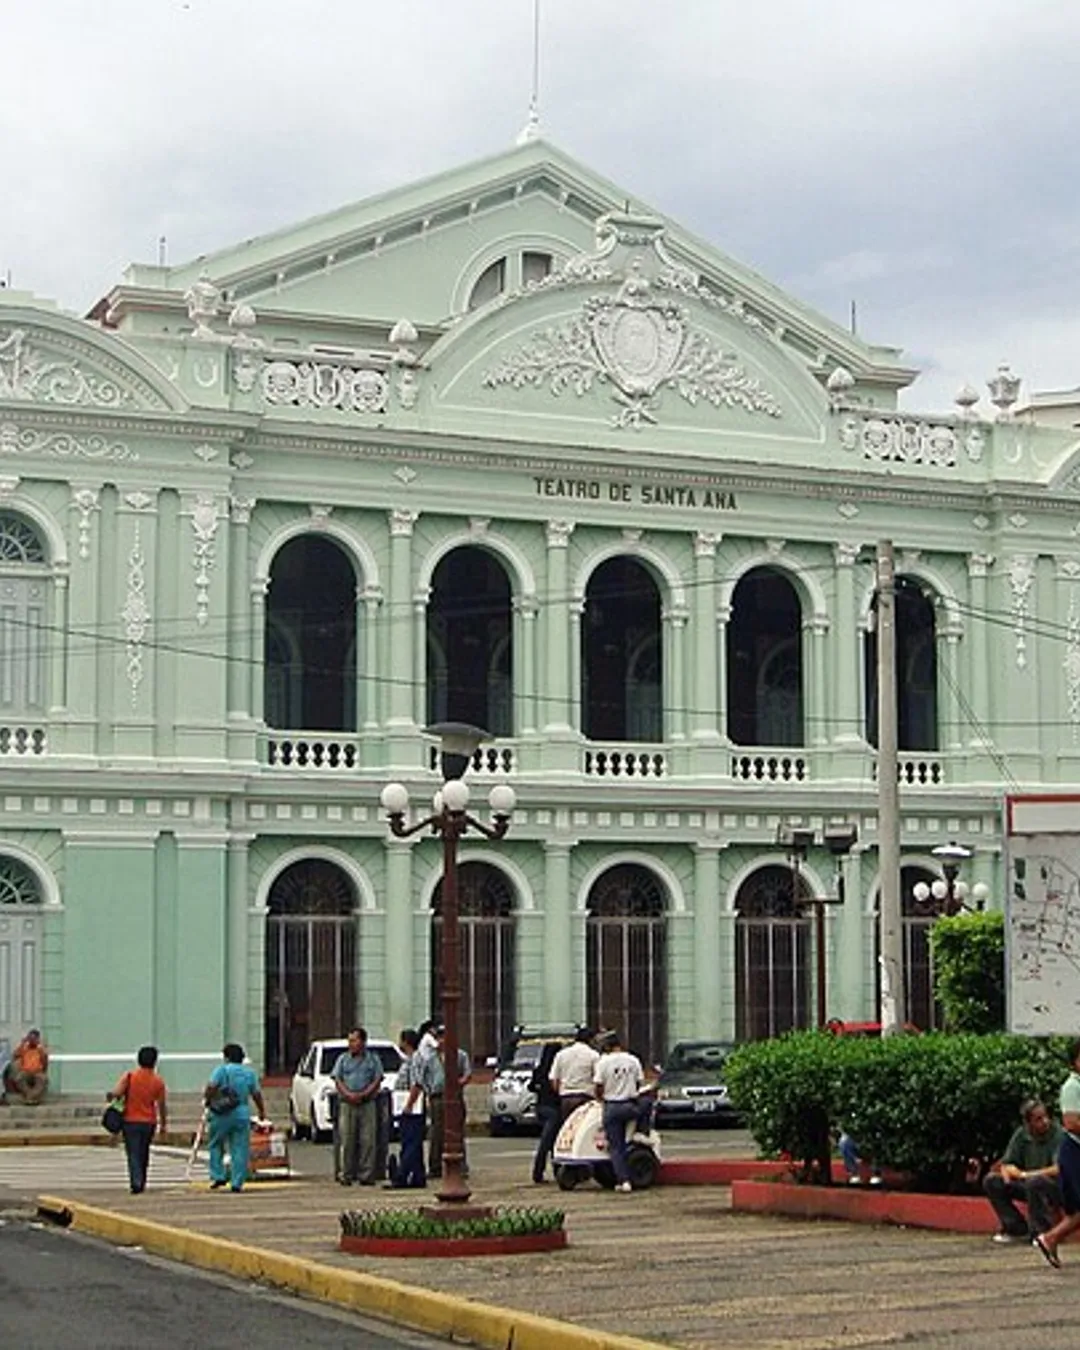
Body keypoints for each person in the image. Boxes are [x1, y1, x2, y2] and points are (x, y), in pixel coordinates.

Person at [984, 1098, 1063, 1243]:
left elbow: (1058, 1168)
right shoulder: (1021, 1135)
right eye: (1038, 1119)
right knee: (992, 1181)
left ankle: (1041, 1232)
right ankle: (1015, 1228)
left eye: (1046, 1116)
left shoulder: (1058, 1134)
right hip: (1028, 1184)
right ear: (1028, 1123)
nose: (1045, 1121)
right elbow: (1008, 1162)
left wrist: (1026, 1174)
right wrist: (1009, 1170)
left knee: (1035, 1182)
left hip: (1054, 1187)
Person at [1033, 1040, 1080, 1267]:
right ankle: (1050, 1238)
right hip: (1075, 1152)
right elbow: (1071, 1123)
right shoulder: (1072, 1087)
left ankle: (1050, 1239)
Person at [204, 1043, 266, 1193]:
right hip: (241, 1113)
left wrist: (207, 1100)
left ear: (226, 1057)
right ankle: (237, 1182)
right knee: (240, 1148)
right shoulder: (249, 1073)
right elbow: (256, 1094)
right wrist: (261, 1111)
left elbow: (212, 1086)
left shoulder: (221, 1071)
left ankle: (218, 1174)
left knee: (215, 1143)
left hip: (221, 1113)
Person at [593, 1030, 646, 1193]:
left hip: (612, 1106)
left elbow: (598, 1086)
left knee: (616, 1147)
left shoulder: (603, 1062)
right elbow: (639, 1083)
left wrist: (601, 1098)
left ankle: (624, 1181)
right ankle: (642, 1132)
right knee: (629, 1139)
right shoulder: (633, 1060)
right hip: (630, 1105)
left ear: (606, 1047)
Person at [110, 1046, 168, 1195]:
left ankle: (136, 1181)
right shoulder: (158, 1081)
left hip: (130, 1120)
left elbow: (116, 1093)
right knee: (144, 1151)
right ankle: (142, 1179)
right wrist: (163, 1124)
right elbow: (161, 1105)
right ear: (155, 1061)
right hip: (149, 1122)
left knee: (133, 1152)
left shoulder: (130, 1077)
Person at [332, 1026, 383, 1186]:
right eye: (350, 1041)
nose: (351, 1044)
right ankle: (345, 1174)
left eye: (354, 1040)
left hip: (367, 1104)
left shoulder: (373, 1059)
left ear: (363, 1042)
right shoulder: (343, 1059)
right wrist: (348, 1094)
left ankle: (366, 1175)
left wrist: (364, 1094)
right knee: (347, 1139)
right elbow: (338, 1079)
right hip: (347, 1104)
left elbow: (377, 1079)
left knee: (368, 1140)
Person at [419, 1023, 471, 1180]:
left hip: (455, 1097)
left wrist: (458, 1083)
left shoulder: (460, 1055)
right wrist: (428, 1092)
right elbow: (423, 1078)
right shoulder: (430, 1058)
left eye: (444, 1037)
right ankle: (435, 1167)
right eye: (439, 1038)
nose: (442, 1041)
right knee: (436, 1133)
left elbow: (467, 1074)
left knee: (457, 1132)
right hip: (437, 1097)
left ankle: (460, 1166)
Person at [389, 1028, 426, 1189]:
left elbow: (417, 1083)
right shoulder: (409, 1059)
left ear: (406, 1042)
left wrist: (409, 1105)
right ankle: (418, 1176)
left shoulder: (416, 1059)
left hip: (411, 1107)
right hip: (405, 1103)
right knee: (413, 1143)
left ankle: (402, 1175)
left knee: (410, 1142)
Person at [550, 1027, 600, 1122]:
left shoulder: (561, 1054)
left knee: (569, 1126)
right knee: (583, 1127)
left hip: (566, 1098)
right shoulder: (593, 1055)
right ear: (590, 1039)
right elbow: (598, 1079)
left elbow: (554, 1079)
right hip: (585, 1097)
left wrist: (560, 1092)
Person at [530, 1041, 563, 1184]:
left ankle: (540, 1171)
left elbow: (531, 1086)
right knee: (552, 1141)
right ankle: (552, 1170)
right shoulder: (556, 1070)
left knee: (547, 1140)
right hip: (554, 1108)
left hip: (541, 1106)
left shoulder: (539, 1069)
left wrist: (539, 1089)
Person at [4, 1029, 49, 1104]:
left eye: (34, 1038)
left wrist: (42, 1047)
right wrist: (22, 1043)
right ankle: (31, 1096)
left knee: (42, 1080)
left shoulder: (40, 1049)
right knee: (19, 1079)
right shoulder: (24, 1048)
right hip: (25, 1071)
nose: (32, 1040)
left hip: (37, 1072)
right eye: (30, 1038)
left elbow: (45, 1062)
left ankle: (30, 1097)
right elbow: (15, 1055)